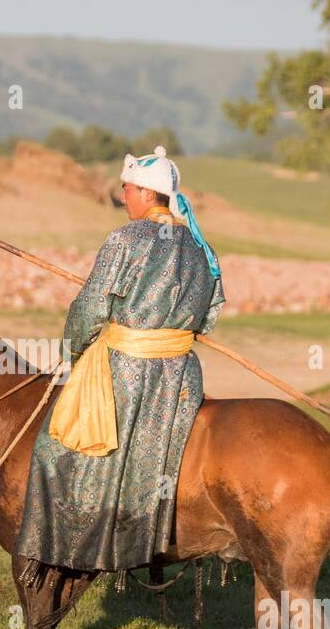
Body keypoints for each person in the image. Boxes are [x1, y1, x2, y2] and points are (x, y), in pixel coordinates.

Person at [13, 145, 225, 576]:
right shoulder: (202, 248)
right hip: (182, 378)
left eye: (127, 189)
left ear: (148, 194)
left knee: (53, 450)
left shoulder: (125, 239)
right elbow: (210, 314)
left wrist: (74, 350)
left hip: (126, 371)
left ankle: (50, 549)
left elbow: (90, 307)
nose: (123, 196)